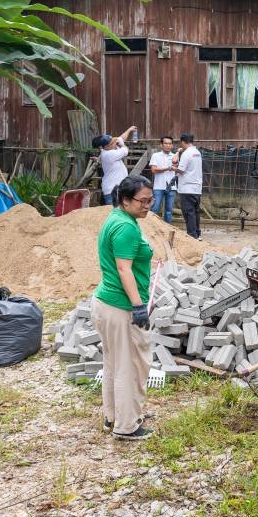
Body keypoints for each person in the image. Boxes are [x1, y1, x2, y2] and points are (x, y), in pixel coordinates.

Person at [92, 175, 155, 441]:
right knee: (130, 366)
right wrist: (138, 306)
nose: (148, 205)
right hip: (120, 307)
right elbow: (123, 269)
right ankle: (127, 426)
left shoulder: (117, 218)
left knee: (113, 363)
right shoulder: (126, 227)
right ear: (126, 200)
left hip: (105, 303)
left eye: (151, 200)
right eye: (143, 201)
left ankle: (113, 416)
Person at [92, 126, 137, 205]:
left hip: (118, 188)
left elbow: (121, 138)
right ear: (105, 146)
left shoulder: (107, 149)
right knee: (114, 211)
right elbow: (125, 150)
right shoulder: (109, 154)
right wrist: (122, 145)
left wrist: (129, 130)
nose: (115, 143)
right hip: (112, 190)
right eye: (112, 143)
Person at [174, 133, 203, 240]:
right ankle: (197, 234)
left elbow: (181, 170)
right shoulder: (197, 152)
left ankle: (192, 235)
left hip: (187, 188)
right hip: (197, 188)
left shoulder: (186, 153)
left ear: (182, 142)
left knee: (188, 212)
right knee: (195, 212)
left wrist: (172, 168)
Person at [149, 136, 178, 224]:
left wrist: (178, 153)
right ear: (161, 145)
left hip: (172, 187)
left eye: (170, 144)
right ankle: (152, 227)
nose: (168, 145)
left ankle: (167, 228)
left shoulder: (175, 156)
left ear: (172, 145)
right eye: (165, 143)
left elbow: (177, 168)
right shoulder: (155, 155)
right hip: (158, 186)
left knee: (169, 211)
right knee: (155, 209)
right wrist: (167, 168)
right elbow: (153, 170)